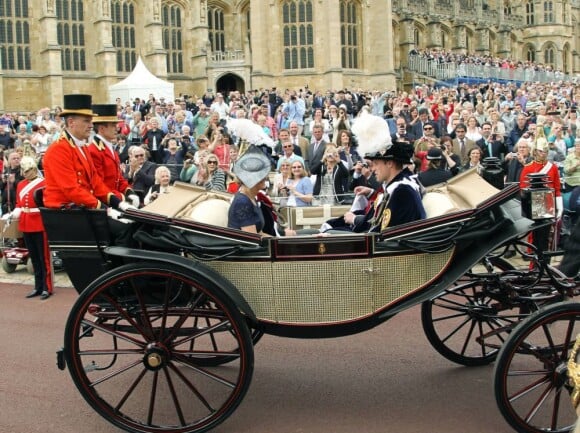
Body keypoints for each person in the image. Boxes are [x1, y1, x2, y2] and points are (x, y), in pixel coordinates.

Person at [42, 94, 135, 242]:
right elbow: (72, 190)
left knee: (133, 227)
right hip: (69, 213)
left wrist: (117, 203)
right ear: (71, 122)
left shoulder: (82, 147)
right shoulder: (58, 150)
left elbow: (95, 182)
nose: (91, 125)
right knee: (126, 231)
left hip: (84, 209)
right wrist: (104, 209)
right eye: (86, 121)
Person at [338, 140, 426, 233]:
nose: (372, 169)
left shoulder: (402, 190)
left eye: (376, 163)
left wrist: (355, 220)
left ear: (389, 163)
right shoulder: (398, 186)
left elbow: (381, 232)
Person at [8, 157, 53, 299]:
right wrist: (14, 213)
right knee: (34, 258)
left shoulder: (44, 183)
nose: (24, 173)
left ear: (34, 169)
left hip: (39, 223)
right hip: (26, 223)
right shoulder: (20, 184)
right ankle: (38, 286)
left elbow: (47, 203)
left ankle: (47, 287)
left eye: (27, 171)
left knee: (43, 258)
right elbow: (19, 203)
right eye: (23, 171)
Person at [228, 146, 296, 236]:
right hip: (249, 248)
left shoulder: (252, 198)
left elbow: (260, 232)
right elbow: (253, 238)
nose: (265, 177)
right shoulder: (242, 202)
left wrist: (279, 239)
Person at [88, 104, 140, 207]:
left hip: (116, 199)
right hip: (107, 204)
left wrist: (128, 191)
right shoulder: (94, 151)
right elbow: (99, 186)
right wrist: (121, 199)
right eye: (113, 125)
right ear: (102, 128)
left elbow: (118, 178)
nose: (117, 128)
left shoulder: (110, 148)